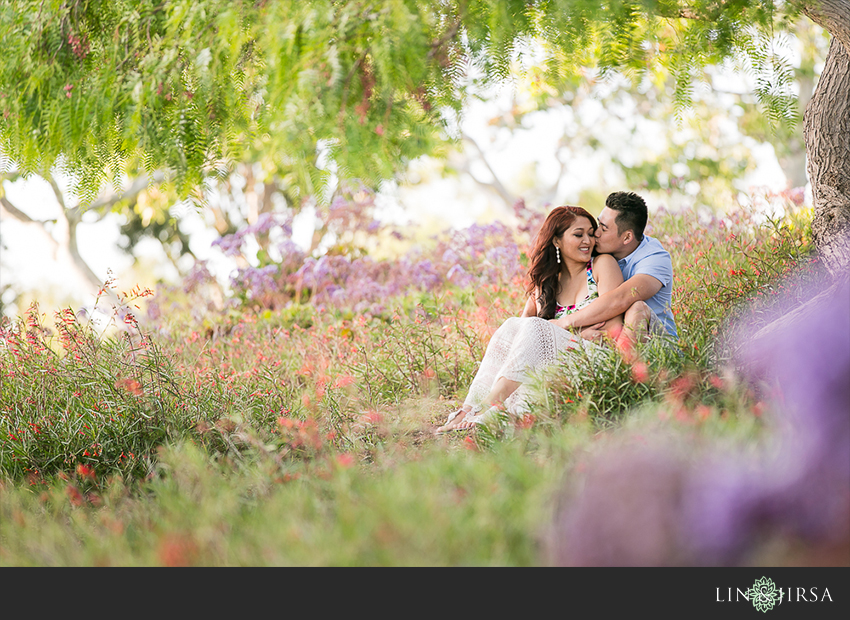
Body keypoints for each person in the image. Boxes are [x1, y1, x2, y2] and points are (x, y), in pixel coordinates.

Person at [436, 206, 626, 434]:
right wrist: (576, 332)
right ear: (557, 241)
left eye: (590, 233)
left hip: (595, 361)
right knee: (512, 325)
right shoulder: (547, 283)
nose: (588, 240)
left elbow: (613, 328)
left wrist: (559, 333)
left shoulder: (601, 265)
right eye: (578, 234)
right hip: (558, 364)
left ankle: (486, 406)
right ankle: (469, 408)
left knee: (538, 327)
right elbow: (521, 339)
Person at [555, 191, 677, 349]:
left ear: (627, 237)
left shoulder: (655, 258)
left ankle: (626, 372)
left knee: (636, 308)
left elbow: (620, 299)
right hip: (609, 337)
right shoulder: (598, 252)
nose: (595, 233)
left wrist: (563, 323)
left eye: (604, 229)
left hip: (656, 344)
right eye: (598, 224)